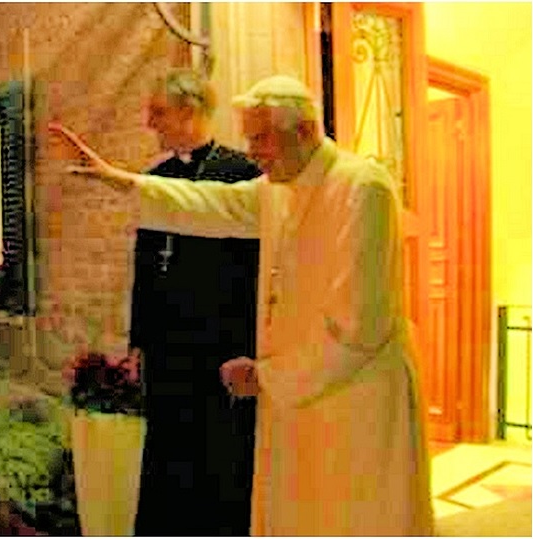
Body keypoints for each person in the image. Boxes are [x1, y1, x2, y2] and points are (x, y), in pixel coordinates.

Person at [49, 75, 434, 536]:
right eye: (250, 139)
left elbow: (359, 328)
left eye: (261, 138)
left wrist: (268, 376)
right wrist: (120, 180)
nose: (253, 152)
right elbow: (213, 204)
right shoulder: (279, 188)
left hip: (355, 393)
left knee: (355, 515)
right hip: (303, 386)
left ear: (305, 131)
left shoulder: (362, 188)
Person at [129, 69, 262, 537]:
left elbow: (256, 269)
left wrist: (252, 347)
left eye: (158, 112)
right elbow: (145, 264)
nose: (150, 122)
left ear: (189, 111)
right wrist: (139, 339)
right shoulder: (156, 178)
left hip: (221, 344)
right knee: (166, 454)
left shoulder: (244, 174)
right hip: (167, 346)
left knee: (220, 457)